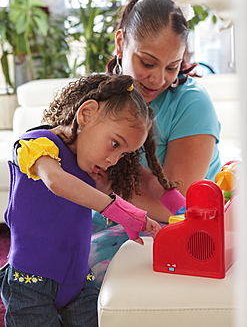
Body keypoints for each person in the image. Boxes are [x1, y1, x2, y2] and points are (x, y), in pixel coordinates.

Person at [0, 73, 184, 327]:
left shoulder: (91, 166)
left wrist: (185, 208)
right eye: (114, 144)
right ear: (86, 114)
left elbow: (148, 180)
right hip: (31, 285)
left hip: (78, 282)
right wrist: (123, 212)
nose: (114, 159)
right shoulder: (37, 145)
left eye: (124, 153)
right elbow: (56, 181)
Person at [89, 0, 222, 286]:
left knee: (83, 274)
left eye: (172, 67)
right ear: (121, 43)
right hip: (105, 211)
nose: (158, 78)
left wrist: (100, 189)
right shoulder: (105, 95)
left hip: (166, 223)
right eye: (147, 62)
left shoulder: (191, 103)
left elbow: (174, 206)